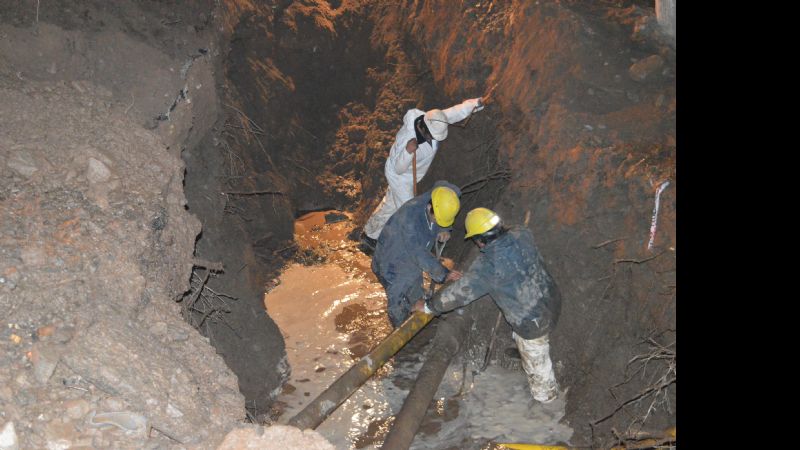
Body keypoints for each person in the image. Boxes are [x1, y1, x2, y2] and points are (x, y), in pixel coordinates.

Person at [416, 207, 562, 403]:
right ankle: (524, 350)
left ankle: (546, 400)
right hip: (551, 298)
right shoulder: (522, 234)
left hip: (532, 322)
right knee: (526, 335)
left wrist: (428, 306)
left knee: (538, 363)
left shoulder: (488, 268)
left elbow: (458, 294)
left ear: (479, 240)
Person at [360, 97, 485, 252]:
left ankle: (370, 236)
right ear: (424, 129)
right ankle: (411, 249)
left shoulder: (433, 119)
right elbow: (398, 168)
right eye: (432, 136)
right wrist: (407, 152)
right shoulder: (407, 137)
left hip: (412, 174)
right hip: (401, 177)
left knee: (391, 205)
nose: (434, 139)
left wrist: (473, 105)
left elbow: (452, 113)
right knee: (410, 213)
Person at [371, 180, 463, 327]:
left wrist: (443, 228)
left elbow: (451, 188)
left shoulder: (441, 195)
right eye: (437, 220)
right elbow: (418, 254)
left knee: (415, 289)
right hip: (392, 262)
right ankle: (400, 329)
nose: (438, 222)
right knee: (398, 299)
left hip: (411, 257)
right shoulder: (410, 219)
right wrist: (444, 274)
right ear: (429, 206)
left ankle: (416, 306)